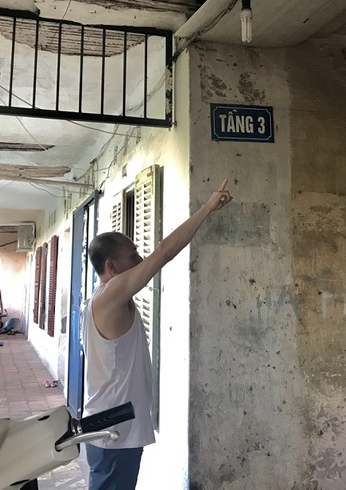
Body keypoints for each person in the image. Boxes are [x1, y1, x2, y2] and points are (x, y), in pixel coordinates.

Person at [81, 179, 233, 490]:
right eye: (133, 256)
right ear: (111, 266)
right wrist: (207, 208)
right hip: (115, 431)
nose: (140, 261)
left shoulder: (100, 299)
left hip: (111, 425)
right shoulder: (111, 294)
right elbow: (163, 254)